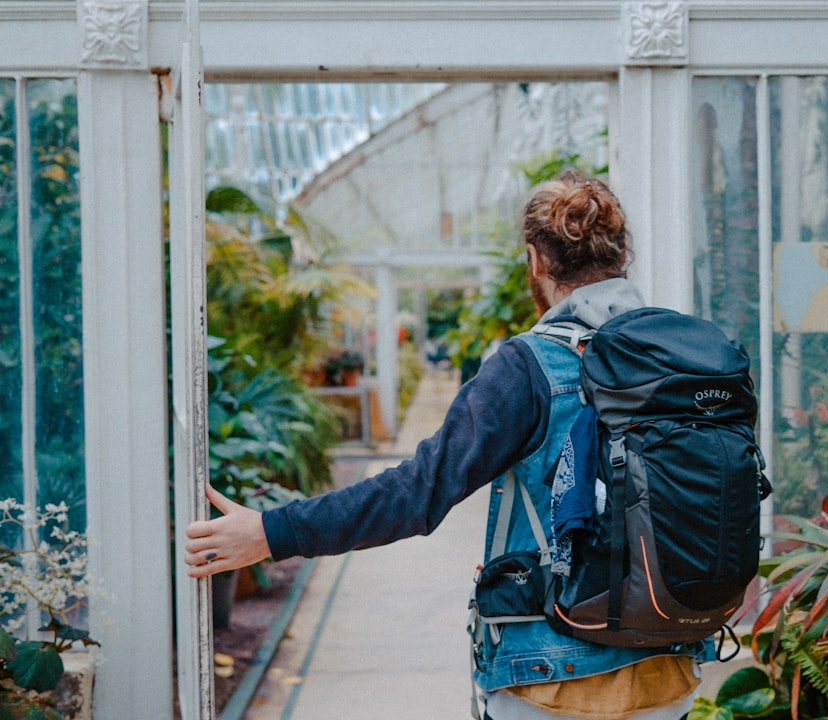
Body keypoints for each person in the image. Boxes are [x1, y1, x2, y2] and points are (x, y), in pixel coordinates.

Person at [185, 171, 706, 719]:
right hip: (668, 670)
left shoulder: (528, 367)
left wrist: (271, 532)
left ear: (535, 261)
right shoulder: (685, 357)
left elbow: (416, 492)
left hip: (553, 683)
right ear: (623, 255)